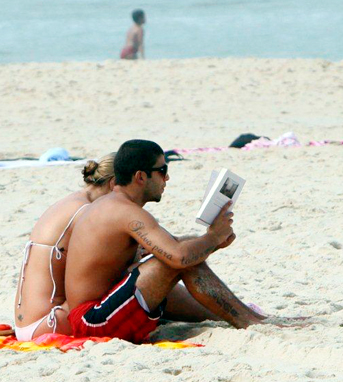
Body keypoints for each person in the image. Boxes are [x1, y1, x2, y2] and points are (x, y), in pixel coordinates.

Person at [65, 140, 296, 344]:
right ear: (140, 177)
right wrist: (213, 237)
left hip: (98, 312)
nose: (167, 178)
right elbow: (178, 256)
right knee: (178, 259)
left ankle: (253, 318)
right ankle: (249, 321)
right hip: (93, 320)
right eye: (162, 170)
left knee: (181, 251)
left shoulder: (115, 205)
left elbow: (174, 245)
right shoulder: (124, 211)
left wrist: (214, 242)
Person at [13, 154, 116, 341]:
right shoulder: (85, 212)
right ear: (114, 183)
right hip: (49, 324)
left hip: (26, 325)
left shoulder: (69, 202)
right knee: (137, 273)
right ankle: (189, 311)